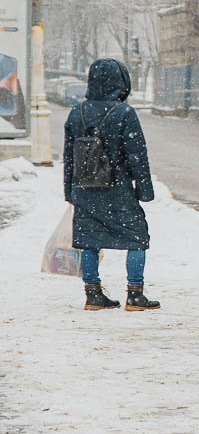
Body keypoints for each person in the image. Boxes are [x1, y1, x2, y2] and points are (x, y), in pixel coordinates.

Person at [63, 58, 157, 312]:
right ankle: (135, 295)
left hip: (84, 189)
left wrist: (69, 191)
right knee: (137, 238)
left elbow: (69, 156)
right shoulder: (124, 113)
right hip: (118, 189)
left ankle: (93, 294)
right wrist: (144, 190)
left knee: (89, 240)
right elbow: (137, 155)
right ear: (121, 81)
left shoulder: (76, 112)